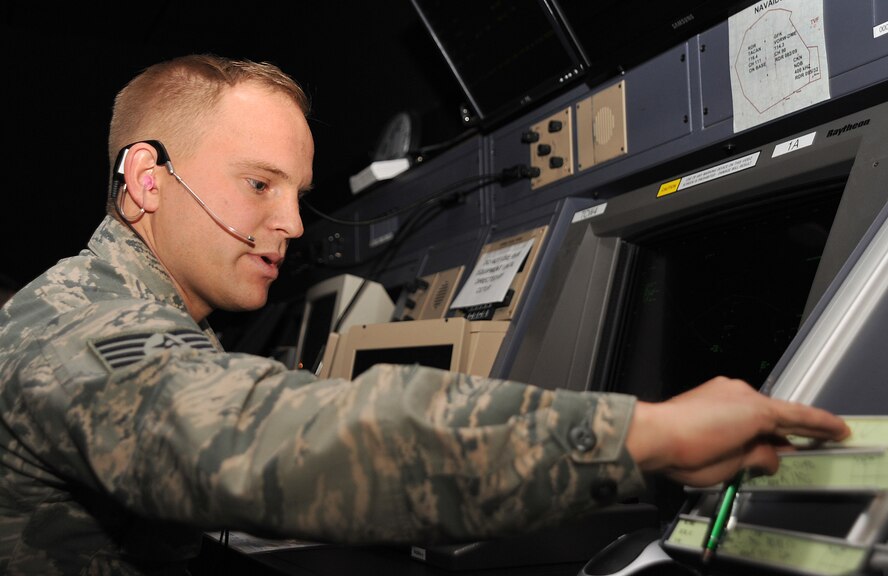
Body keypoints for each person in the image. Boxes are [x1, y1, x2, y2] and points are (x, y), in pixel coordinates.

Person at [0, 54, 849, 575]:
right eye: (260, 185)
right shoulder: (78, 324)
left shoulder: (118, 312)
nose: (294, 225)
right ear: (147, 180)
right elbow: (262, 443)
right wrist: (647, 435)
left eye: (298, 194)